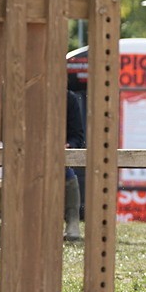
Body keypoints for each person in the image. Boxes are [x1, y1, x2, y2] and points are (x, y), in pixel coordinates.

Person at [63, 83, 86, 241]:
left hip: (60, 156)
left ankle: (72, 223)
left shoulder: (69, 99)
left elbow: (77, 135)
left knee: (69, 176)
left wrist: (68, 145)